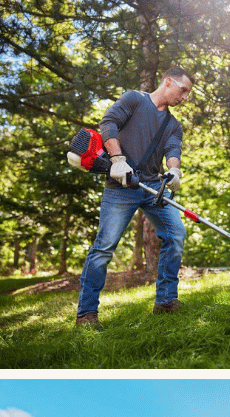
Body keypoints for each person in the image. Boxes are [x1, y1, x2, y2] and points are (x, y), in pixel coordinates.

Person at [75, 66, 194, 328]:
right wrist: (117, 160)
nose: (184, 97)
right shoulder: (134, 99)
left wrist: (174, 170)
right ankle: (86, 314)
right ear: (168, 82)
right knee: (104, 248)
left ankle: (165, 302)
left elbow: (173, 150)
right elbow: (108, 123)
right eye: (183, 90)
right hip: (121, 185)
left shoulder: (173, 124)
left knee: (176, 234)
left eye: (188, 94)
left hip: (153, 188)